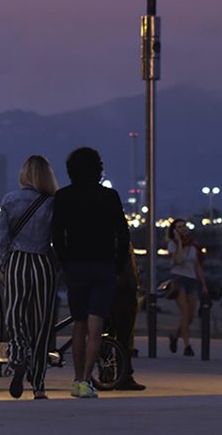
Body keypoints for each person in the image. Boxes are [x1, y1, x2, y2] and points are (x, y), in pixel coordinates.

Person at [51, 147, 131, 399]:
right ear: (98, 168)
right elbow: (123, 234)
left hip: (76, 266)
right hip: (104, 265)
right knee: (96, 327)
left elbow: (57, 235)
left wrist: (66, 262)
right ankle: (86, 381)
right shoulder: (110, 196)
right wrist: (118, 265)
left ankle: (76, 379)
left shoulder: (63, 197)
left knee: (79, 324)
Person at [0, 155, 60, 400]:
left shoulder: (10, 200)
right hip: (43, 262)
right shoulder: (52, 202)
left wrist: (5, 263)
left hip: (17, 261)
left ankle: (19, 356)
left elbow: (2, 240)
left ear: (24, 174)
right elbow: (57, 237)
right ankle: (39, 384)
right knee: (42, 324)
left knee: (15, 314)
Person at [106, 243, 146, 390]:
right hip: (122, 288)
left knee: (108, 333)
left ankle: (107, 373)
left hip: (112, 287)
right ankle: (123, 376)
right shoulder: (121, 240)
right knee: (124, 336)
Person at [166, 218, 207, 356]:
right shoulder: (172, 244)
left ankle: (175, 336)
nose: (182, 228)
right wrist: (179, 242)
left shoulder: (193, 245)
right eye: (179, 227)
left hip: (192, 279)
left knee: (190, 315)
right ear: (174, 230)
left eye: (183, 226)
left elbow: (197, 265)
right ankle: (187, 345)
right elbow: (179, 260)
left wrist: (203, 284)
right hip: (179, 279)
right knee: (184, 312)